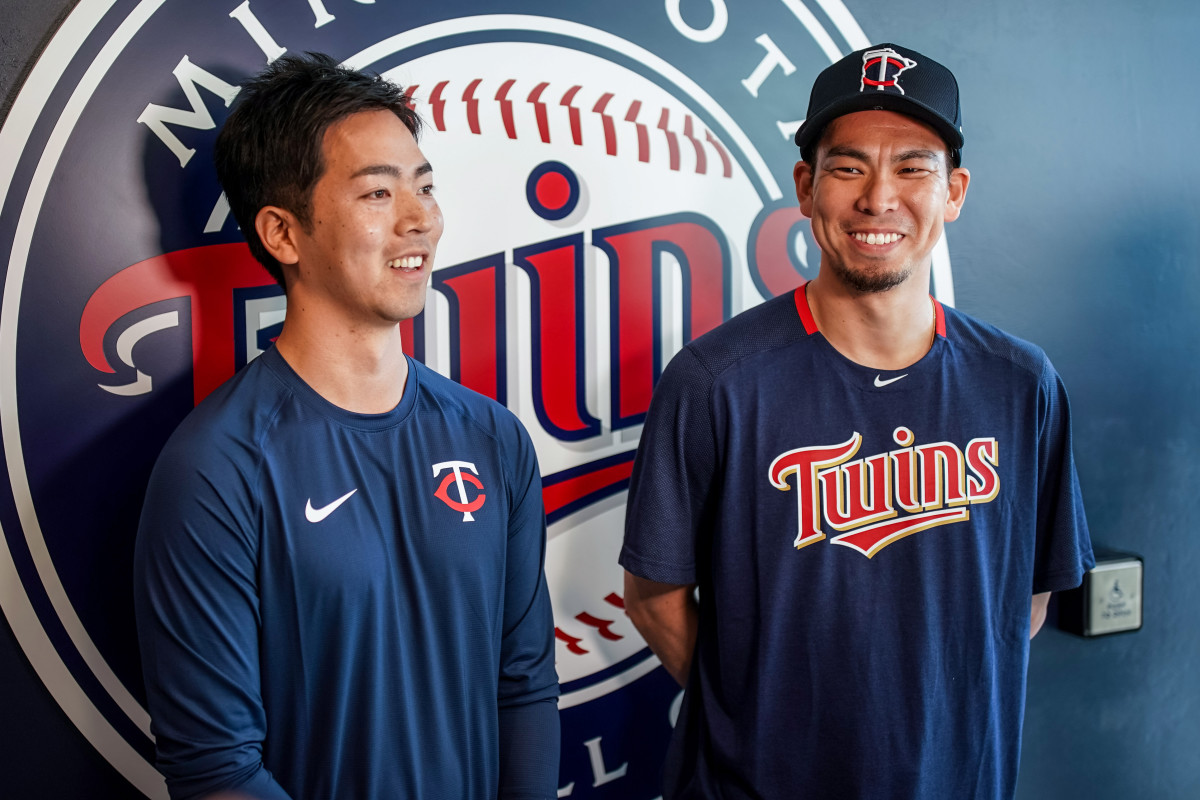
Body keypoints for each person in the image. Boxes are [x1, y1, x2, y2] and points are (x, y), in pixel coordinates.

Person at [620, 43, 1093, 800]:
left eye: (913, 167)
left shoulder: (1020, 383)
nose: (879, 198)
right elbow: (653, 597)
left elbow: (1025, 600)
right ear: (806, 187)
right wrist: (763, 711)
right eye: (847, 168)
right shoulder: (716, 382)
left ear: (955, 191)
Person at [134, 53, 559, 800]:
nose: (420, 217)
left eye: (425, 186)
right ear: (282, 233)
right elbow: (216, 771)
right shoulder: (216, 469)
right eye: (377, 192)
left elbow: (521, 686)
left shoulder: (493, 439)